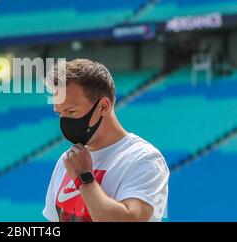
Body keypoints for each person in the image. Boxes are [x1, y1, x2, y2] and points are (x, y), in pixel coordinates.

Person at [43, 59, 169, 222]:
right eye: (60, 114)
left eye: (71, 111)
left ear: (103, 106)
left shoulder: (144, 158)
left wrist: (83, 177)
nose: (65, 122)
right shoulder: (66, 161)